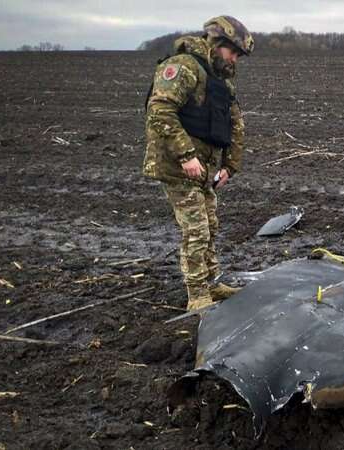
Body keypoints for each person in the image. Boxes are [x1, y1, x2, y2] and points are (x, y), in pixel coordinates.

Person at [143, 16, 254, 311]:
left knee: (211, 225)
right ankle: (197, 295)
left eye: (239, 56)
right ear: (218, 44)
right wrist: (186, 155)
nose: (235, 60)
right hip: (177, 165)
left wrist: (230, 166)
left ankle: (212, 282)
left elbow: (235, 123)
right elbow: (160, 110)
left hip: (202, 167)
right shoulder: (184, 67)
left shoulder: (220, 78)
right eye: (233, 52)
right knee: (196, 229)